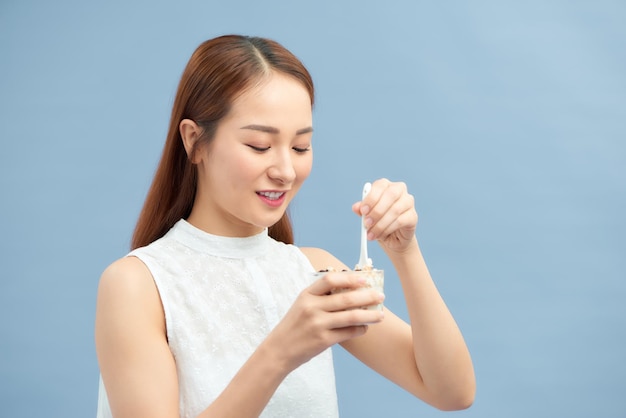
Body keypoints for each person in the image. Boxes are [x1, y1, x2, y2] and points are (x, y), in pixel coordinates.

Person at [95, 34, 475, 418]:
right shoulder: (138, 285)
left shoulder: (313, 272)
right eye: (260, 146)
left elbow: (451, 391)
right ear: (195, 141)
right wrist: (279, 354)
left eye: (300, 148)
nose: (286, 171)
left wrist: (404, 252)